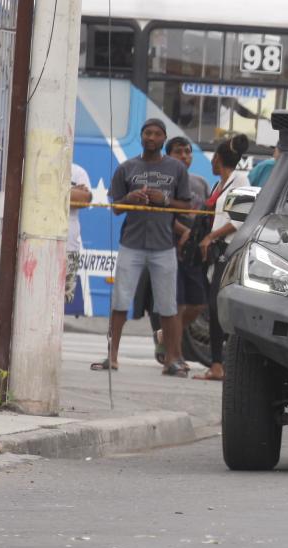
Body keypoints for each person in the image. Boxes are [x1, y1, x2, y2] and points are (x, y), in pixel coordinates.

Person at [91, 118, 191, 376]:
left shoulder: (177, 169)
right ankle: (111, 357)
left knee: (167, 305)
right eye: (148, 133)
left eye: (157, 134)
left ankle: (171, 360)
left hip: (164, 245)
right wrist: (129, 198)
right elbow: (115, 208)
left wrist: (164, 199)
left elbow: (187, 207)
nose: (152, 137)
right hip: (132, 244)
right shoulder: (126, 168)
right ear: (141, 136)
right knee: (121, 300)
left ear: (163, 139)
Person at [146, 136, 211, 365]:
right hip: (169, 247)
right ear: (168, 156)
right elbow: (160, 215)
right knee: (177, 304)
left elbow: (205, 215)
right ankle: (176, 356)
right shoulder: (162, 182)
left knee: (198, 303)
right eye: (179, 152)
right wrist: (184, 231)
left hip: (192, 251)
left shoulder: (200, 182)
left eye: (187, 151)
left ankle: (165, 334)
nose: (185, 156)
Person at [193, 134, 251, 381]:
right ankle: (217, 364)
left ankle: (219, 364)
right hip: (215, 251)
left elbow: (239, 219)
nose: (212, 162)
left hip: (228, 251)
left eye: (213, 157)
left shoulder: (241, 180)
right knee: (213, 304)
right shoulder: (219, 184)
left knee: (219, 307)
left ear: (219, 159)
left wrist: (211, 237)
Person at [66, 163, 92, 303]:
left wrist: (61, 192)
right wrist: (71, 191)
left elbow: (84, 200)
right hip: (39, 242)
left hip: (70, 246)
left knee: (64, 297)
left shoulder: (77, 171)